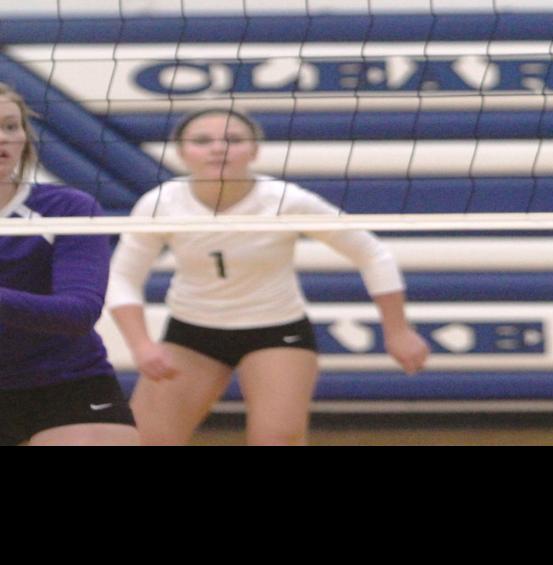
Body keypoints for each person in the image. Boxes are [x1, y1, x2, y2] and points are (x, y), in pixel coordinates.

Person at [105, 108, 429, 445]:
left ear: (255, 150)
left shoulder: (286, 200)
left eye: (233, 139)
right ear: (182, 152)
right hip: (192, 331)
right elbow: (122, 275)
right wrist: (141, 345)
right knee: (145, 440)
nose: (219, 148)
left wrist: (398, 331)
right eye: (202, 140)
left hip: (276, 331)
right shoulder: (161, 203)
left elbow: (372, 252)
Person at [0, 82, 141, 447]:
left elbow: (78, 312)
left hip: (62, 382)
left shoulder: (65, 208)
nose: (2, 137)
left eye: (11, 126)